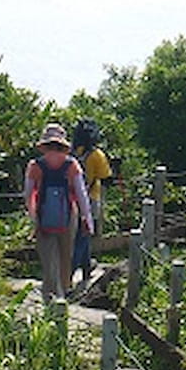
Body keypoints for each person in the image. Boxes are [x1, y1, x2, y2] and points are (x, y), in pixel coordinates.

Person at [22, 122, 93, 302]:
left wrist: (33, 218)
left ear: (44, 145)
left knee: (48, 257)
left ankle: (49, 294)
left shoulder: (35, 165)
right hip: (69, 215)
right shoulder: (72, 164)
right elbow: (81, 194)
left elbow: (28, 194)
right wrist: (88, 219)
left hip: (43, 215)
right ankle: (62, 293)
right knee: (65, 254)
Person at [69, 118, 113, 288]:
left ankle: (87, 268)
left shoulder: (72, 153)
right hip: (90, 198)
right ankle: (71, 271)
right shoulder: (97, 155)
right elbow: (106, 179)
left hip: (71, 199)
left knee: (81, 234)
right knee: (83, 234)